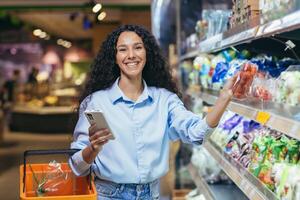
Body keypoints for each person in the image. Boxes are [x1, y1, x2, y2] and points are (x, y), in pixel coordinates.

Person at [70, 25, 237, 200]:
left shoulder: (164, 101)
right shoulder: (96, 103)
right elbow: (77, 167)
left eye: (137, 47)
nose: (131, 55)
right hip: (109, 195)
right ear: (115, 57)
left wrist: (224, 98)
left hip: (152, 195)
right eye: (122, 49)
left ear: (146, 53)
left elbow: (197, 134)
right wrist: (93, 149)